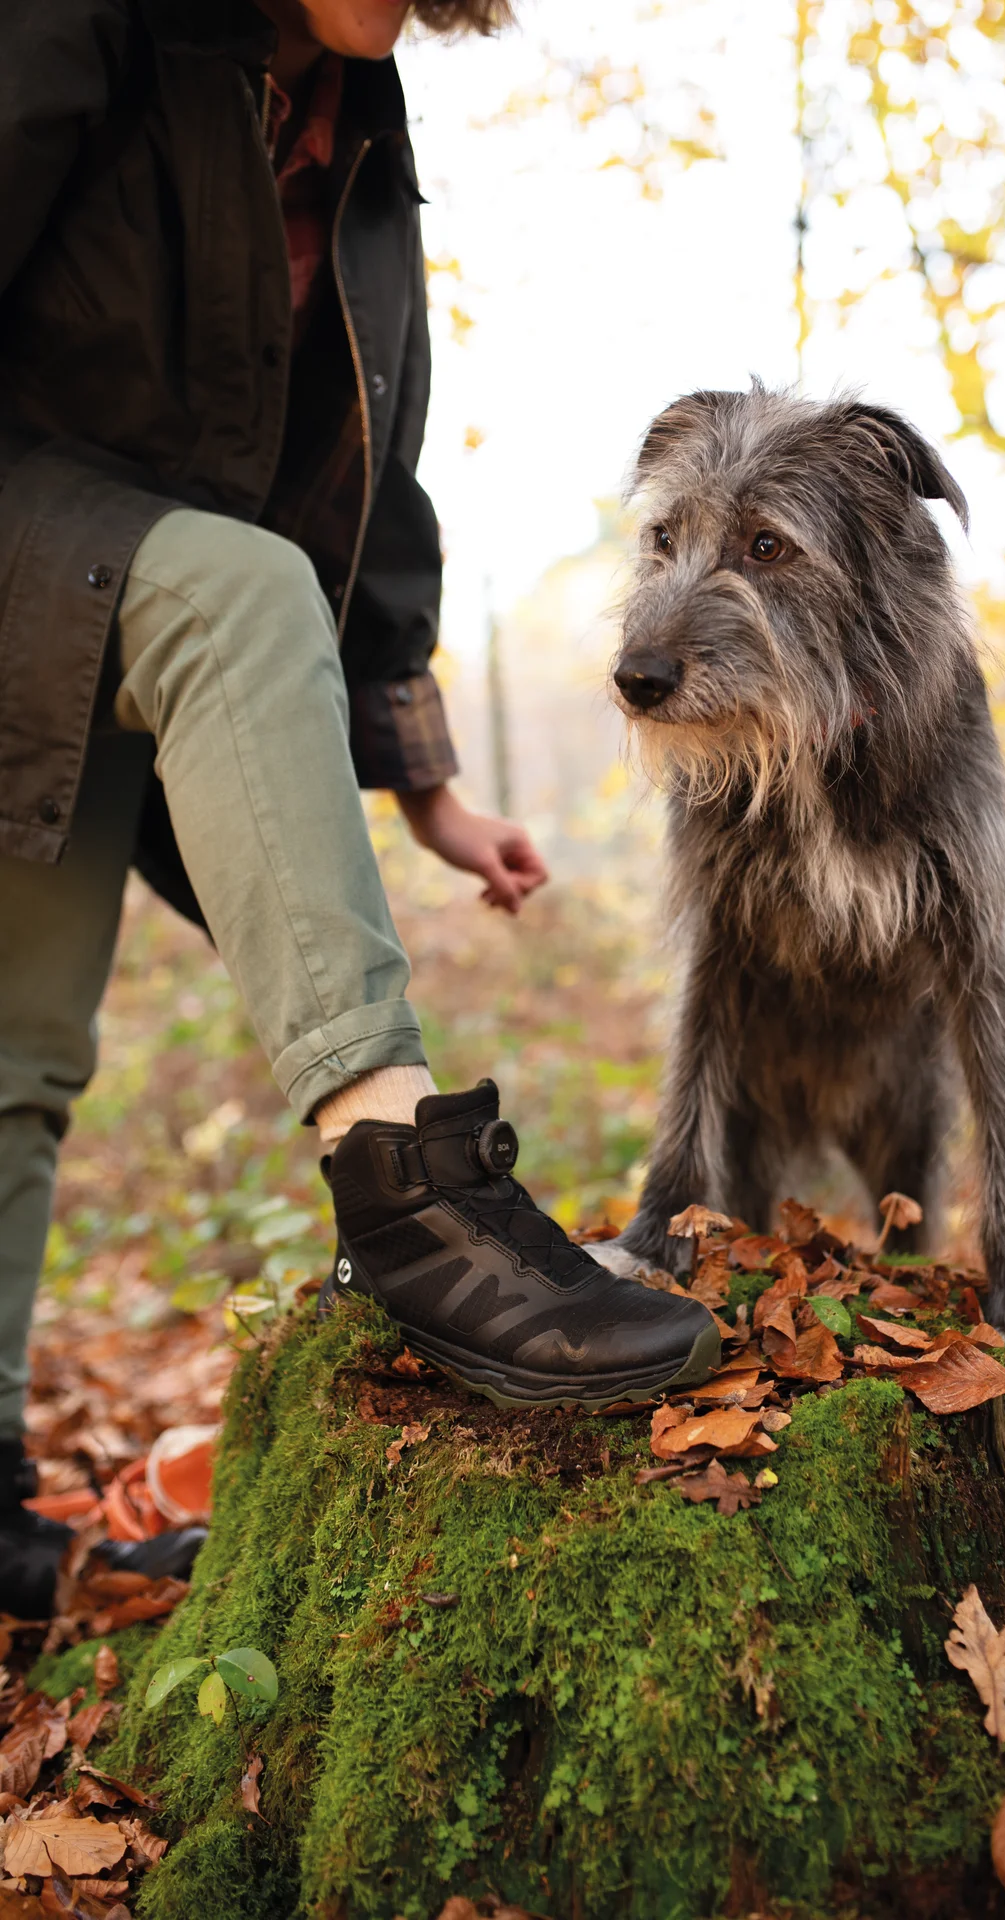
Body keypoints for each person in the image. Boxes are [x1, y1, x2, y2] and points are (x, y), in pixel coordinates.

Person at [0, 0, 718, 1616]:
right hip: (52, 551)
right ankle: (408, 1193)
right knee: (239, 586)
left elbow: (374, 473)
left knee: (18, 1058)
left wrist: (435, 784)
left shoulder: (366, 120)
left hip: (124, 603)